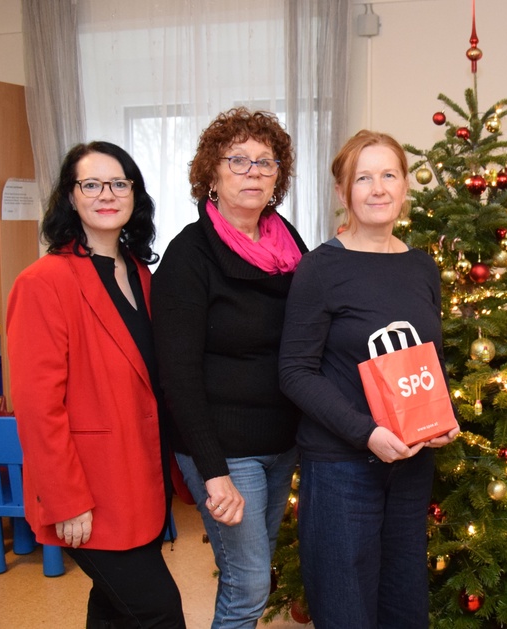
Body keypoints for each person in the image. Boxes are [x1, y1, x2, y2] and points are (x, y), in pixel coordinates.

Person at [278, 130, 460, 628]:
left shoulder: (422, 267)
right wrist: (367, 433)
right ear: (343, 193)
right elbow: (294, 372)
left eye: (388, 175)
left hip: (411, 463)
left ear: (404, 187)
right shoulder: (320, 268)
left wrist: (444, 418)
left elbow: (429, 359)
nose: (377, 189)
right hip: (341, 467)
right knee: (346, 608)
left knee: (404, 605)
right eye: (363, 178)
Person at [8, 141, 186, 628]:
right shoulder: (44, 282)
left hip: (142, 481)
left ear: (134, 194)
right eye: (91, 184)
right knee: (158, 612)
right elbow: (37, 405)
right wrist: (66, 499)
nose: (106, 194)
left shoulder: (140, 274)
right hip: (90, 491)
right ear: (71, 196)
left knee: (113, 611)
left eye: (118, 183)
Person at [152, 107, 307, 629]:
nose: (253, 172)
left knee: (252, 573)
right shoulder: (189, 255)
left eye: (266, 162)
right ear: (211, 174)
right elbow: (177, 372)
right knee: (248, 582)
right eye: (238, 160)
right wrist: (213, 471)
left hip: (280, 441)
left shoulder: (288, 243)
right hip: (223, 446)